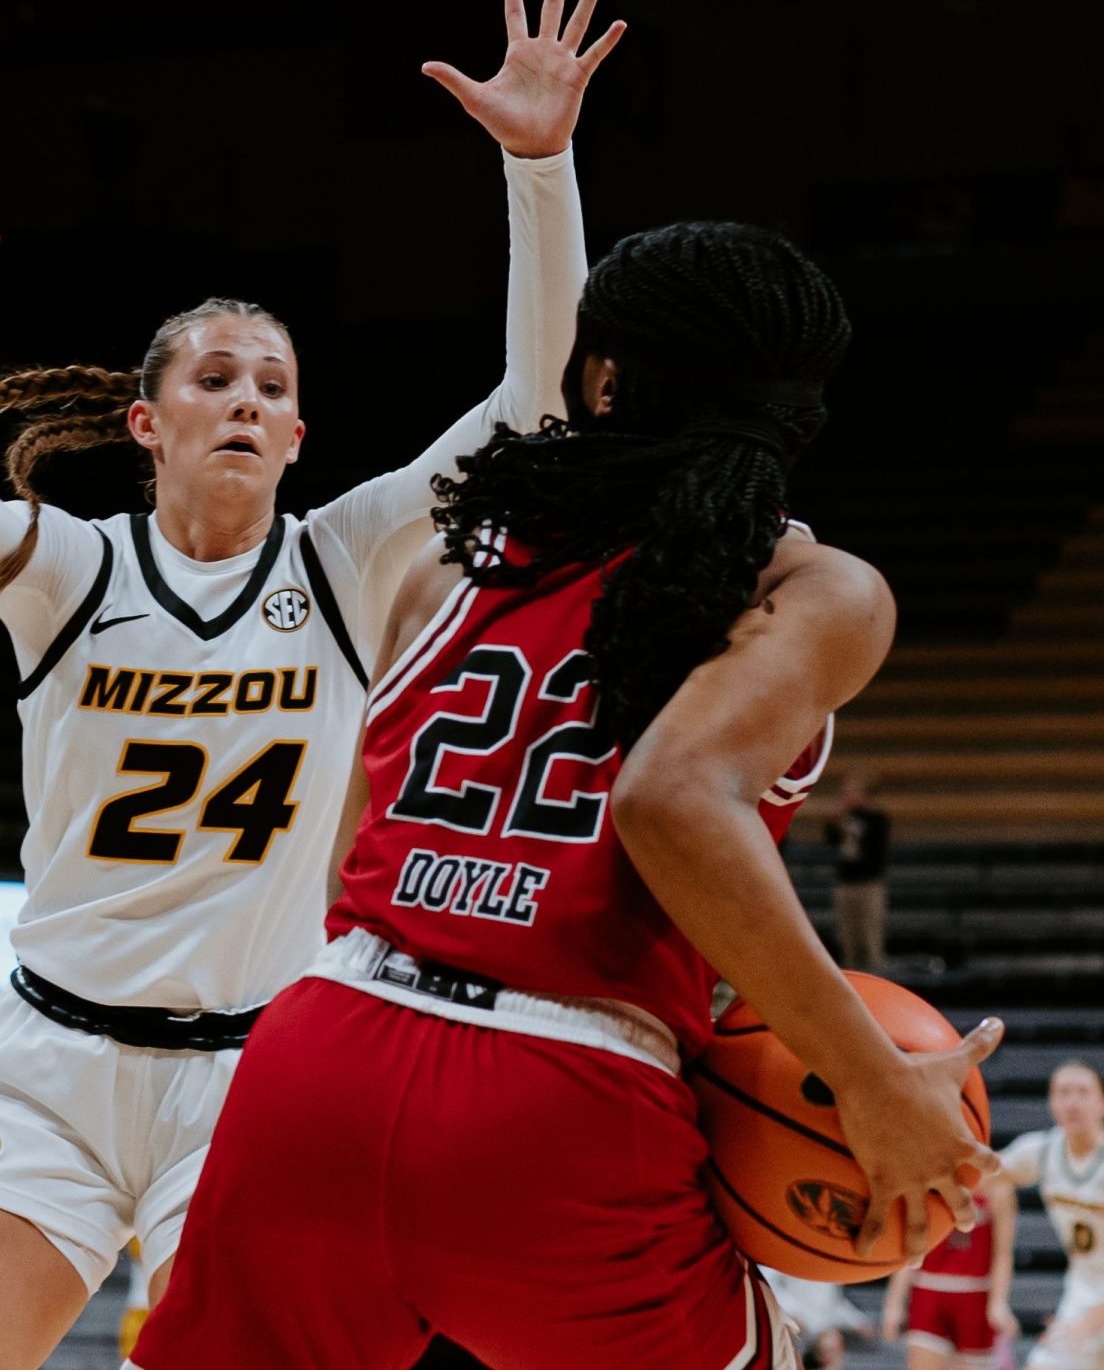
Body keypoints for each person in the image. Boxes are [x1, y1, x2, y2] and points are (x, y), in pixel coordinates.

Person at [0, 0, 614, 1368]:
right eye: (217, 379)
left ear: (299, 439)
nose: (248, 397)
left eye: (275, 387)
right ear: (148, 422)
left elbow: (535, 413)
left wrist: (539, 170)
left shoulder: (347, 559)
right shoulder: (72, 566)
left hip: (259, 1075)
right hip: (48, 1064)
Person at [133, 217, 1005, 1368]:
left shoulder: (454, 558)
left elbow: (350, 846)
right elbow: (674, 801)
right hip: (561, 1096)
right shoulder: (810, 587)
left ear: (599, 379)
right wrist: (866, 1081)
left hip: (322, 1053)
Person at [998, 1060, 1104, 1370]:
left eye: (1083, 1092)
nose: (1072, 1102)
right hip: (1084, 1286)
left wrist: (1091, 1321)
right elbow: (983, 1174)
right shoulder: (1040, 1151)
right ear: (1051, 1102)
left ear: (1101, 1102)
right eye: (1062, 1092)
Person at [882, 1185, 1017, 1370]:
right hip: (928, 1291)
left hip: (975, 1295)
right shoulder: (927, 1180)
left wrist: (999, 1302)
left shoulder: (998, 1188)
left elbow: (1003, 1253)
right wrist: (894, 1303)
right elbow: (909, 1247)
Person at [825, 771, 893, 973]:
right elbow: (832, 843)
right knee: (848, 939)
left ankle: (876, 980)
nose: (848, 796)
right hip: (845, 883)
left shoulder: (877, 819)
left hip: (868, 884)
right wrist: (834, 822)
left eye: (853, 792)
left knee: (870, 939)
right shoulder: (845, 818)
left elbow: (875, 852)